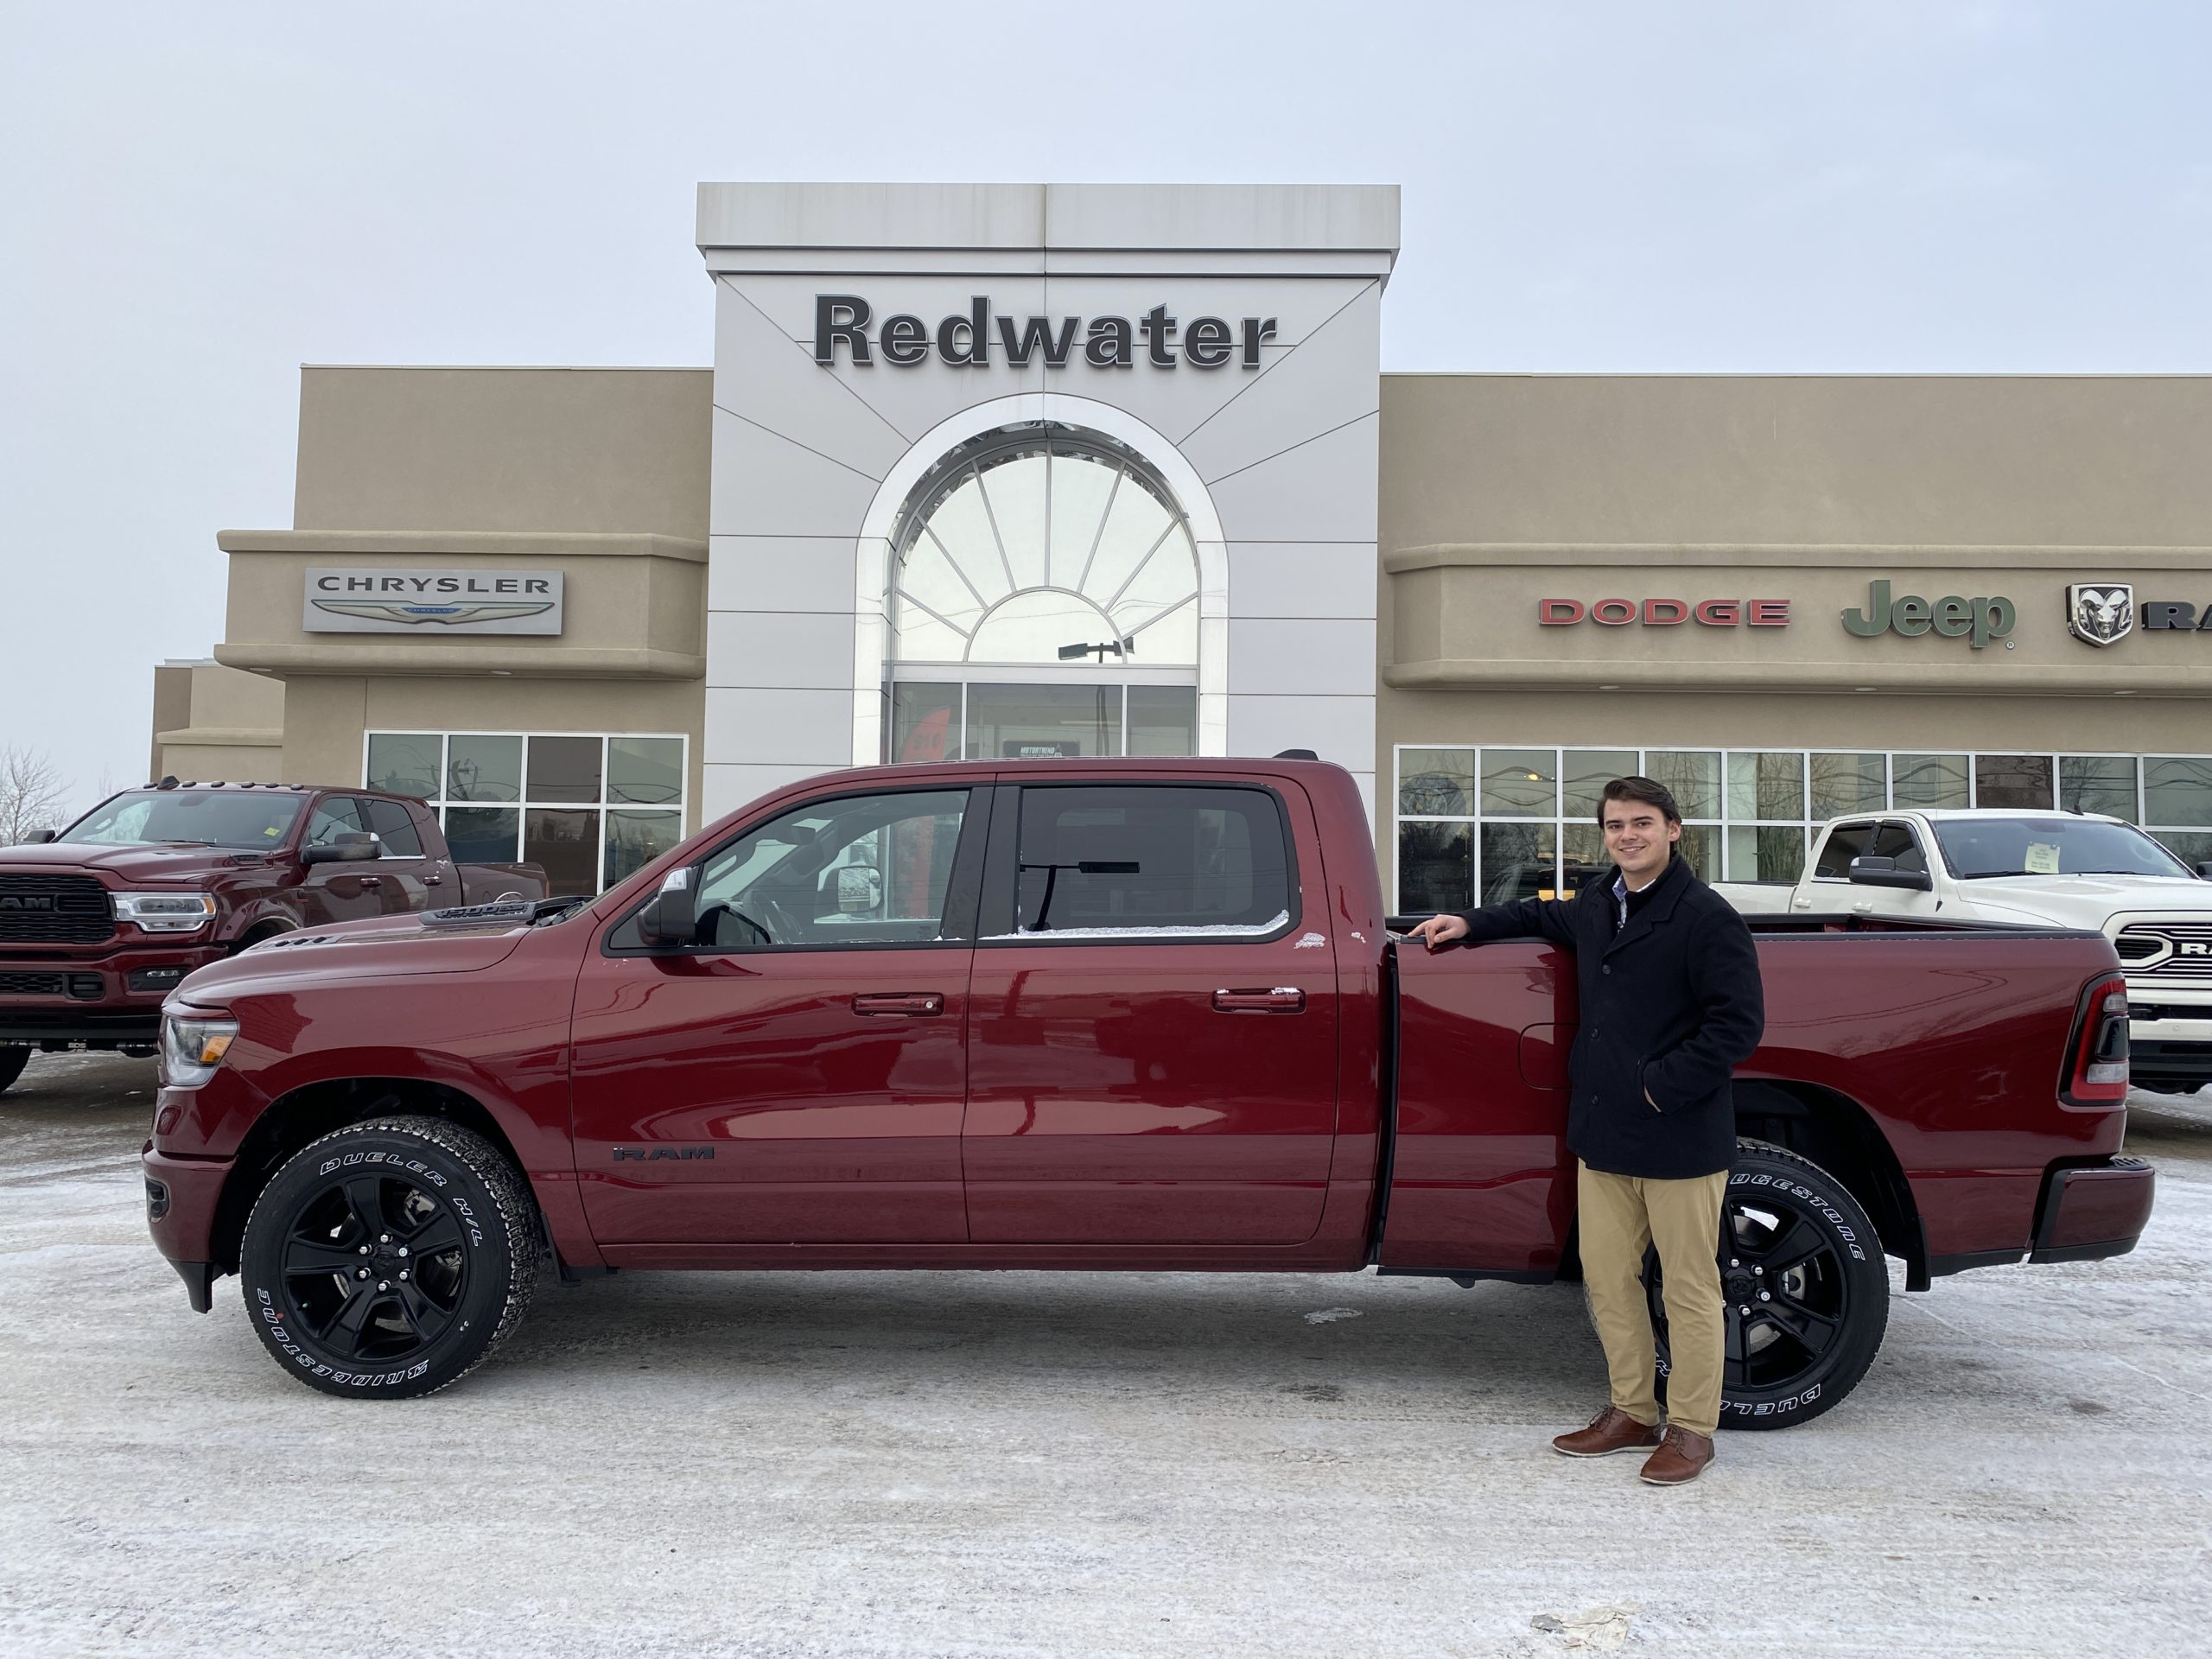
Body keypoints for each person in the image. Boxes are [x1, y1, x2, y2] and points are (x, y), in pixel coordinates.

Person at [1409, 776, 1764, 1485]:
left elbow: (1738, 1025)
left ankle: (1693, 1429)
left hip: (1676, 1134)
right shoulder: (1601, 903)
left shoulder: (1705, 917)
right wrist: (1470, 922)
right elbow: (1540, 917)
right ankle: (1632, 1412)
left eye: (1641, 823)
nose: (1627, 836)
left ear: (1674, 830)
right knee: (1608, 1281)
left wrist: (1655, 1086)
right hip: (1602, 1133)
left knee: (1689, 1288)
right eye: (1614, 825)